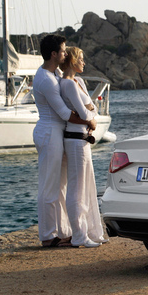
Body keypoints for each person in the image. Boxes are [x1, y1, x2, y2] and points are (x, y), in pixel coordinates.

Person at [33, 35, 96, 247]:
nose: (65, 53)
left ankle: (62, 231)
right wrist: (90, 121)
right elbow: (64, 113)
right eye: (62, 50)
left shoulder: (55, 74)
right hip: (49, 131)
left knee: (61, 185)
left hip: (58, 133)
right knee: (50, 185)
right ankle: (47, 235)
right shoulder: (46, 80)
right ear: (53, 54)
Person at [59, 46, 107, 248]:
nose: (84, 62)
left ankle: (90, 232)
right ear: (72, 61)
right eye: (81, 59)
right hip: (75, 140)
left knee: (87, 186)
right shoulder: (68, 84)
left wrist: (89, 113)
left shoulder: (78, 81)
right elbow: (86, 113)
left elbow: (92, 108)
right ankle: (79, 235)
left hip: (83, 139)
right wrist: (89, 115)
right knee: (77, 188)